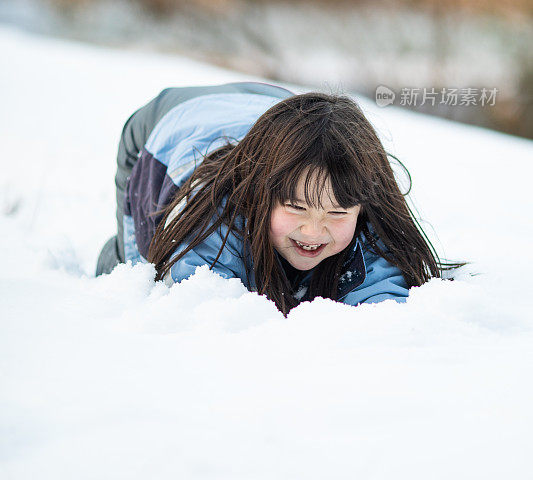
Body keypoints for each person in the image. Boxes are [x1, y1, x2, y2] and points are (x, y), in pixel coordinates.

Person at [96, 81, 446, 315]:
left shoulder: (366, 215)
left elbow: (383, 314)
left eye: (337, 213)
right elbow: (205, 317)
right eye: (296, 207)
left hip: (285, 116)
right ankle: (111, 255)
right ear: (260, 194)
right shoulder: (213, 222)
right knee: (144, 269)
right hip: (162, 127)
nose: (313, 230)